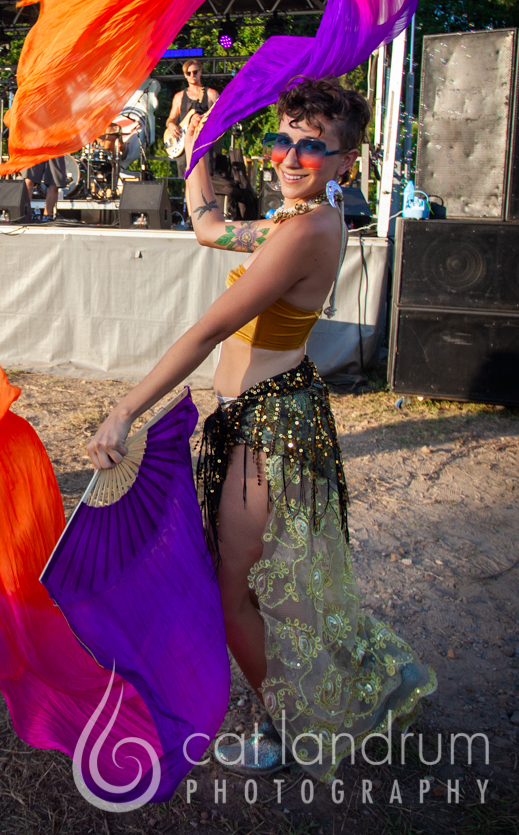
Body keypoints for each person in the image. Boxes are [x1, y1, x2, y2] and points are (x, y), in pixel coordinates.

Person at [88, 77, 436, 781]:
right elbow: (208, 227)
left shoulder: (305, 231)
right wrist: (196, 150)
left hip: (270, 426)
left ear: (346, 161)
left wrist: (126, 409)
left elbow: (208, 330)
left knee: (237, 594)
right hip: (255, 417)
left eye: (313, 146)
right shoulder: (292, 219)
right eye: (283, 139)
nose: (290, 156)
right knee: (272, 584)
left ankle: (288, 728)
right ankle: (353, 686)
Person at [165, 59, 219, 178]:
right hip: (184, 144)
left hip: (203, 143)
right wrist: (171, 125)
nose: (192, 75)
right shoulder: (179, 96)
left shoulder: (211, 94)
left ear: (200, 72)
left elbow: (219, 118)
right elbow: (171, 118)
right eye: (188, 73)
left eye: (195, 72)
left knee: (205, 179)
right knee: (187, 179)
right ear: (185, 75)